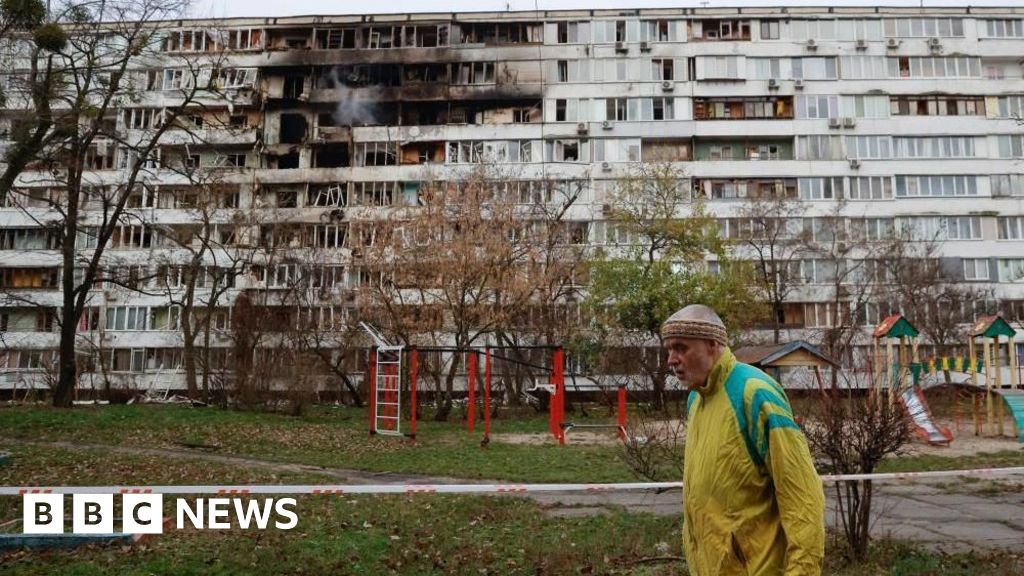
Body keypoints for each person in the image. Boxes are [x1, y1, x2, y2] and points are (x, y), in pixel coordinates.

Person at [662, 304, 825, 576]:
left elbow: (803, 496)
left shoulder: (755, 393)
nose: (671, 359)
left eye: (681, 348)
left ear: (712, 344)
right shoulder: (696, 398)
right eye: (668, 349)